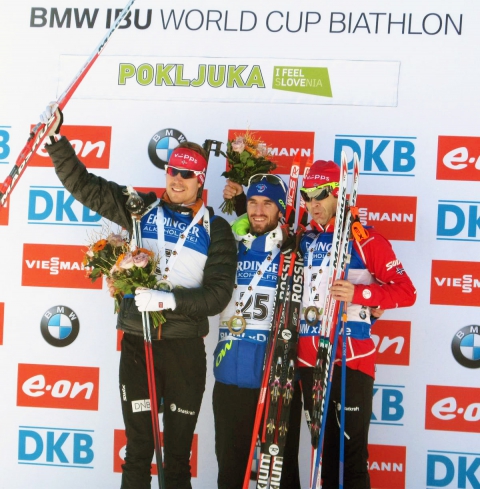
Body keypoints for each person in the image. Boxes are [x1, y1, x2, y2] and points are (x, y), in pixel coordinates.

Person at [40, 102, 237, 489]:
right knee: (138, 450)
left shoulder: (216, 229)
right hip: (137, 343)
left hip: (183, 351)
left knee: (177, 456)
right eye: (171, 170)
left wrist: (170, 301)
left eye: (186, 173)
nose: (176, 179)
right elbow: (85, 186)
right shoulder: (139, 208)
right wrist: (57, 141)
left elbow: (218, 296)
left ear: (200, 179)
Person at [290, 159, 417, 488]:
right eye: (306, 196)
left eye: (320, 195)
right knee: (325, 453)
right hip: (309, 359)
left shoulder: (365, 239)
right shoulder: (304, 241)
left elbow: (406, 292)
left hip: (351, 359)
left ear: (339, 193)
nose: (312, 204)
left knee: (352, 457)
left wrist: (361, 293)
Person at [213, 174, 295, 489]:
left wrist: (369, 307)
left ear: (281, 210)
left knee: (280, 476)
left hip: (275, 381)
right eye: (252, 203)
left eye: (267, 203)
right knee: (231, 472)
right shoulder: (228, 246)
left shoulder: (294, 251)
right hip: (229, 378)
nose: (258, 211)